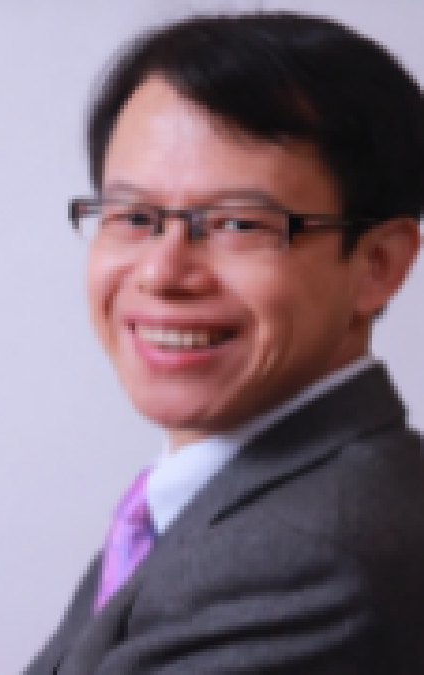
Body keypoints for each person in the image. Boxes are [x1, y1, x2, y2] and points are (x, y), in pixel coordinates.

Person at [24, 11, 424, 675]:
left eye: (238, 223)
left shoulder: (304, 557)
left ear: (378, 264)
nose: (162, 273)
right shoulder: (217, 500)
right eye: (134, 216)